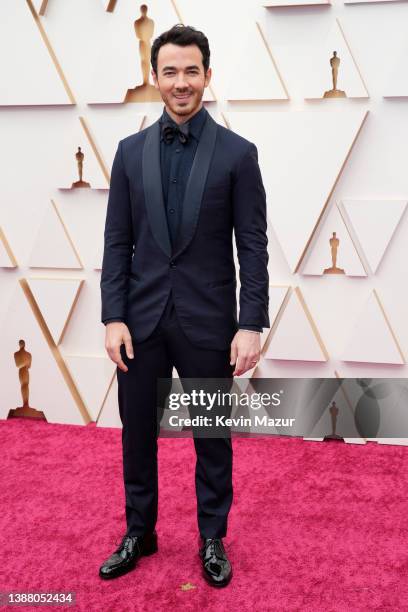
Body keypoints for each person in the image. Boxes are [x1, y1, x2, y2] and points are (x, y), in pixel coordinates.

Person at [99, 23, 269, 587]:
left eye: (191, 71)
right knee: (136, 432)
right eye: (169, 71)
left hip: (209, 322)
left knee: (211, 434)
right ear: (155, 77)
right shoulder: (127, 154)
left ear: (207, 76)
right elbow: (117, 242)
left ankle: (212, 536)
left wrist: (250, 323)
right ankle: (139, 531)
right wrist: (112, 315)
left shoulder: (239, 155)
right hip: (140, 322)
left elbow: (252, 245)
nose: (180, 82)